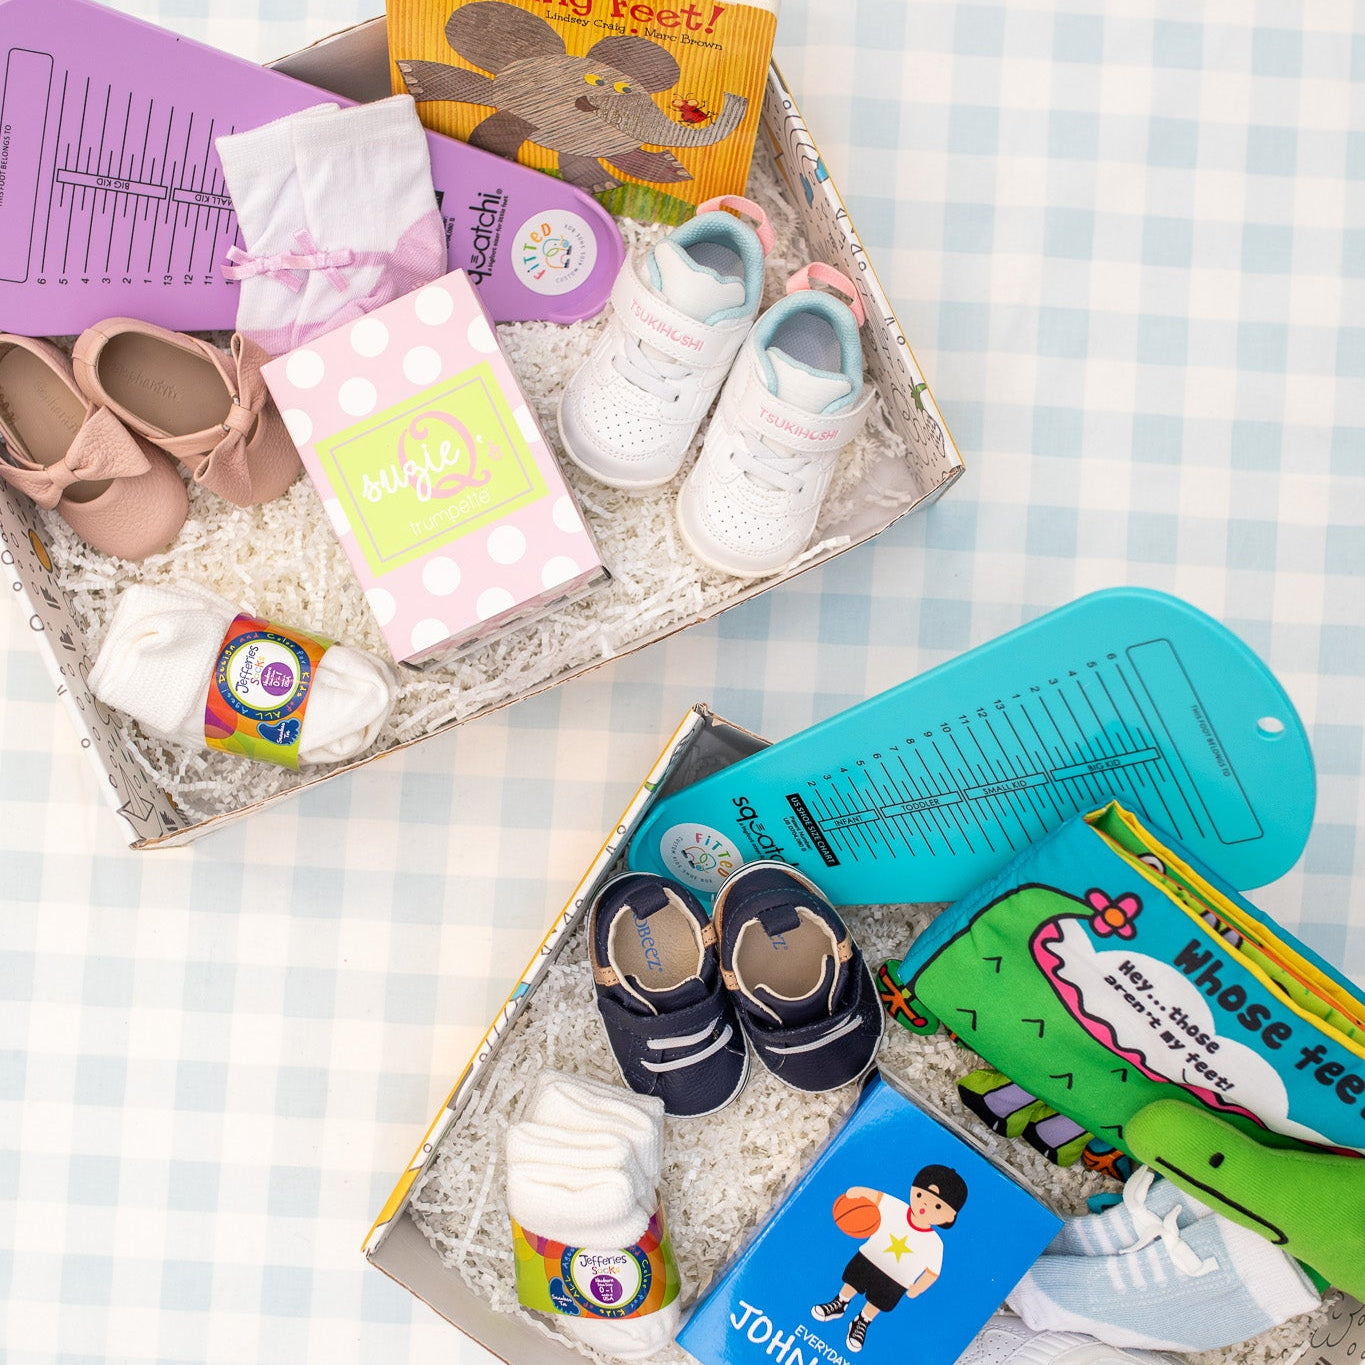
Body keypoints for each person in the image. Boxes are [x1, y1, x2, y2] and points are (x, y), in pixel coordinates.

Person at [811, 1164, 969, 1354]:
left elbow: (932, 1272)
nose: (925, 1205)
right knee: (853, 1279)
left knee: (878, 1301)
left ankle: (862, 1321)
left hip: (897, 1279)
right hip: (869, 1258)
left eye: (937, 1206)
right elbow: (876, 1197)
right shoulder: (896, 1207)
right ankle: (840, 1302)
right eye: (920, 1196)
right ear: (912, 1190)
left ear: (950, 1217)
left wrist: (917, 1289)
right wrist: (857, 1192)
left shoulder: (935, 1244)